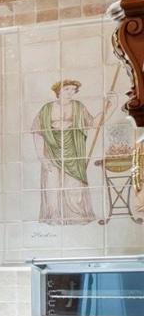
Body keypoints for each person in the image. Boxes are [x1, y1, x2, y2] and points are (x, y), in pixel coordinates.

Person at [35, 78, 98, 225]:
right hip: (51, 149)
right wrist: (41, 158)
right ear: (59, 91)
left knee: (73, 185)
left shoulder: (78, 106)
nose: (71, 92)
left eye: (73, 90)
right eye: (67, 89)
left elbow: (93, 123)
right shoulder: (47, 109)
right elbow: (38, 132)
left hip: (73, 150)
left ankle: (76, 218)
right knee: (52, 185)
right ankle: (54, 217)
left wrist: (108, 107)